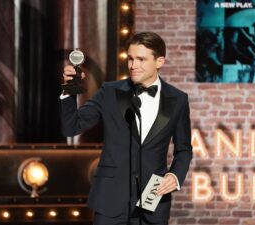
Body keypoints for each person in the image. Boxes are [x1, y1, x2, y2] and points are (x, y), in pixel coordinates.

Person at [60, 32, 192, 225]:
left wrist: (175, 175)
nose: (133, 65)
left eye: (141, 59)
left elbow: (184, 149)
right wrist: (69, 89)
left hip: (152, 203)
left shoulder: (178, 99)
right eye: (130, 58)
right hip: (110, 201)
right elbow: (71, 127)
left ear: (159, 61)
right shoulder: (110, 92)